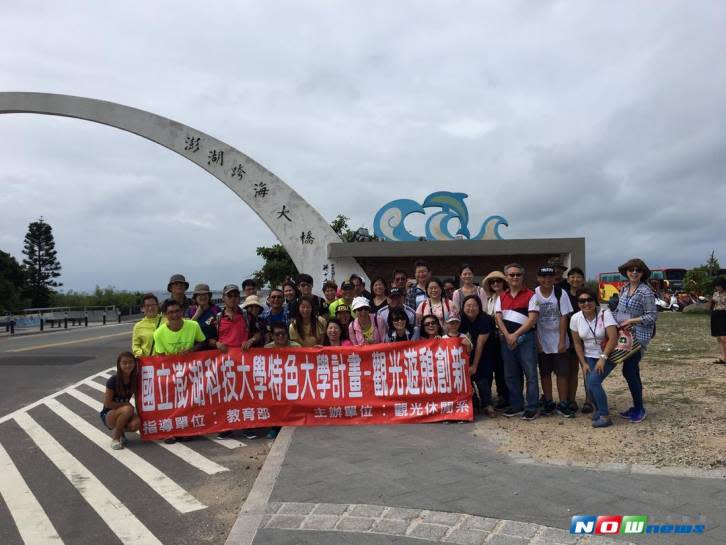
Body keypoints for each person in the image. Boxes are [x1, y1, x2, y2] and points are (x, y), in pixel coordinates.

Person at [614, 258, 658, 423]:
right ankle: (636, 406)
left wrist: (631, 321)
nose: (634, 273)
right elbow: (621, 310)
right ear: (626, 272)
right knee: (630, 371)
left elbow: (652, 316)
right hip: (625, 335)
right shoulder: (624, 289)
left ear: (642, 273)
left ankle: (639, 408)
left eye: (637, 270)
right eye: (631, 270)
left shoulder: (645, 291)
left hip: (639, 337)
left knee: (630, 371)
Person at [495, 263, 539, 420]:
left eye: (518, 275)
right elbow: (498, 318)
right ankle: (516, 405)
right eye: (511, 275)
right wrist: (508, 335)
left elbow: (533, 319)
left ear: (522, 276)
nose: (514, 277)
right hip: (507, 341)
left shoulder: (531, 295)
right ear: (506, 277)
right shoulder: (501, 297)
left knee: (531, 375)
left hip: (526, 339)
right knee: (510, 375)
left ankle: (532, 406)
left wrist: (515, 335)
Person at [570, 287, 619, 428]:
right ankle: (598, 410)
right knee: (590, 385)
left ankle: (604, 416)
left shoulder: (605, 313)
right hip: (589, 356)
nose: (586, 303)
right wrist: (583, 362)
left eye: (589, 300)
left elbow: (613, 338)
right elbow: (577, 343)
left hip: (608, 355)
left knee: (593, 382)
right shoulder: (575, 318)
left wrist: (603, 358)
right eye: (582, 301)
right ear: (578, 303)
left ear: (595, 301)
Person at [532, 267, 575, 418]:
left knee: (562, 373)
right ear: (538, 278)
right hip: (542, 340)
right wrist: (537, 341)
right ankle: (549, 401)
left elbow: (564, 316)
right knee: (545, 373)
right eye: (543, 276)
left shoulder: (560, 293)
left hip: (559, 339)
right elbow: (532, 320)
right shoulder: (534, 294)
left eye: (550, 276)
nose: (547, 279)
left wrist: (562, 340)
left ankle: (563, 403)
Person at [562, 267, 592, 413]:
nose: (575, 279)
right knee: (572, 371)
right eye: (572, 277)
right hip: (571, 338)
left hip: (587, 338)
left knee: (588, 370)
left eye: (578, 277)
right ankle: (572, 400)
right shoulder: (564, 295)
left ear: (583, 279)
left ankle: (589, 400)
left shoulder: (588, 295)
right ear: (568, 279)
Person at [460, 295, 496, 416]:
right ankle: (473, 403)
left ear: (479, 307)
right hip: (465, 355)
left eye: (474, 305)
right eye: (468, 306)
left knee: (482, 379)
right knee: (466, 380)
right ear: (463, 307)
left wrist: (474, 365)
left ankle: (488, 404)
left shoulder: (485, 319)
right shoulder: (460, 319)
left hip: (484, 353)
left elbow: (480, 344)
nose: (471, 308)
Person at [481, 271, 510, 410]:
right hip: (493, 338)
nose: (496, 284)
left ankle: (507, 396)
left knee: (506, 368)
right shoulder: (490, 299)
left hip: (506, 336)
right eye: (492, 282)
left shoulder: (508, 297)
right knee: (495, 367)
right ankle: (499, 395)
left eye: (498, 281)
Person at [101, 351, 141, 450]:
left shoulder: (135, 379)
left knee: (136, 424)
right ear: (119, 365)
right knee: (128, 409)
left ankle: (122, 433)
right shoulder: (113, 381)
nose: (128, 365)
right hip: (108, 414)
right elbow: (108, 403)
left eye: (131, 362)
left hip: (124, 411)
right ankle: (116, 438)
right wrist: (126, 404)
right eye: (124, 363)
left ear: (135, 364)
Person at [214, 284, 249, 353]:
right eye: (229, 296)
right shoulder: (216, 318)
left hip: (244, 357)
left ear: (239, 298)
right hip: (224, 358)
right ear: (223, 298)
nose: (233, 298)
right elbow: (209, 338)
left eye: (235, 296)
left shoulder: (247, 315)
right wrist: (217, 343)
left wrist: (250, 341)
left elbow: (257, 333)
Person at [186, 283, 220, 349]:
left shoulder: (216, 310)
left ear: (209, 296)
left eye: (205, 294)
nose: (203, 297)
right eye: (200, 295)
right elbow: (186, 330)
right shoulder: (190, 311)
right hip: (195, 347)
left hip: (213, 346)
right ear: (195, 297)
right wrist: (197, 314)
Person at [132, 293, 163, 357]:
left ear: (158, 306)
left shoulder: (167, 320)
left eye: (153, 305)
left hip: (166, 361)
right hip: (149, 363)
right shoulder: (138, 326)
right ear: (142, 308)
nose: (150, 308)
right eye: (147, 305)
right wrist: (140, 354)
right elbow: (135, 345)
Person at [710, 277, 726, 365]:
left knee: (724, 337)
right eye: (716, 286)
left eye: (719, 285)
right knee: (719, 337)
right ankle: (723, 357)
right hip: (716, 314)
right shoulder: (715, 293)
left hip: (724, 314)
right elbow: (713, 303)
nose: (717, 287)